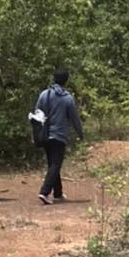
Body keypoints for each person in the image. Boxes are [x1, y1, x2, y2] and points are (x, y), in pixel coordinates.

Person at [36, 68, 83, 205]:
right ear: (66, 81)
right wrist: (80, 133)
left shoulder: (44, 94)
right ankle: (44, 192)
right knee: (56, 165)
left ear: (54, 79)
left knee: (53, 164)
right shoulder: (67, 98)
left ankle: (58, 192)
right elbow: (75, 119)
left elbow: (37, 113)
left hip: (45, 135)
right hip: (59, 136)